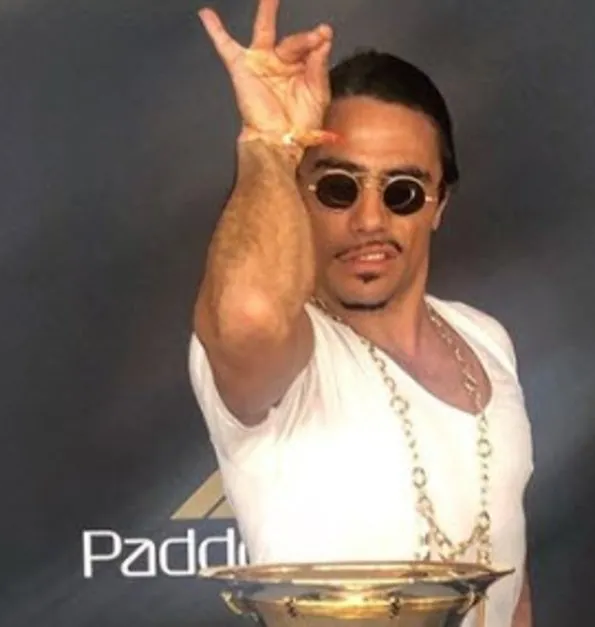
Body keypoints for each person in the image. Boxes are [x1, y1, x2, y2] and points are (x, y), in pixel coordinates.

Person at [186, 1, 535, 625]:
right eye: (337, 187)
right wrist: (270, 144)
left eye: (402, 192)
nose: (369, 220)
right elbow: (252, 315)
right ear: (298, 192)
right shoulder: (289, 358)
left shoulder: (485, 339)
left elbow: (508, 571)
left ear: (439, 205)